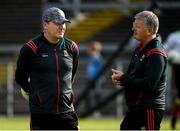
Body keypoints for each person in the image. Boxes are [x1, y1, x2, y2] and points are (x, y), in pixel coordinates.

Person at [15, 7, 79, 130]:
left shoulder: (72, 48)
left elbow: (71, 77)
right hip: (41, 115)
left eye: (63, 23)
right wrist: (36, 94)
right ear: (45, 24)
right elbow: (20, 77)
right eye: (57, 23)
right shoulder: (31, 48)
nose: (62, 27)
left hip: (67, 112)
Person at [111, 11, 167, 130]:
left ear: (150, 30)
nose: (133, 29)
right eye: (133, 26)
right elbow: (134, 76)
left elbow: (149, 85)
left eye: (138, 26)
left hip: (148, 110)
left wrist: (124, 78)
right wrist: (121, 79)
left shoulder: (156, 53)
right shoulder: (139, 48)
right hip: (136, 108)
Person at [164, 30, 180, 130]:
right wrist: (169, 57)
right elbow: (164, 49)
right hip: (178, 68)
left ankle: (174, 119)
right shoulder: (174, 36)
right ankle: (174, 120)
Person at [86, 41, 105, 116]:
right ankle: (90, 111)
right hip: (90, 79)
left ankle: (97, 112)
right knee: (88, 95)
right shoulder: (91, 58)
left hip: (97, 79)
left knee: (97, 95)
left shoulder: (98, 58)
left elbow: (100, 69)